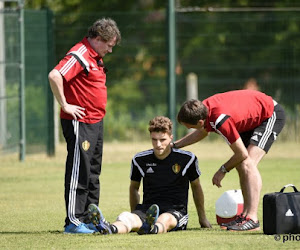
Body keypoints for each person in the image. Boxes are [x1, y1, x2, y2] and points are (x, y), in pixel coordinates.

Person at [173, 89, 285, 231]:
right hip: (251, 118)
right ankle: (245, 217)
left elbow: (241, 154)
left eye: (190, 127)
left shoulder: (219, 119)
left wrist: (222, 170)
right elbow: (202, 132)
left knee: (247, 163)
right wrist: (175, 146)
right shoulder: (203, 109)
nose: (189, 129)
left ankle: (252, 219)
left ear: (200, 121)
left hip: (269, 114)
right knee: (241, 165)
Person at [48, 18, 121, 234]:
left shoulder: (95, 57)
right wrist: (65, 104)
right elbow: (55, 75)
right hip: (80, 122)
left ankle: (90, 216)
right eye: (108, 45)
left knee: (93, 172)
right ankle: (74, 221)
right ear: (98, 38)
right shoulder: (80, 54)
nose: (110, 50)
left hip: (96, 121)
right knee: (79, 171)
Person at [88, 116, 211, 235]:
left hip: (175, 211)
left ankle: (152, 229)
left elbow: (196, 187)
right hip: (148, 210)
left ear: (171, 138)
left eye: (162, 140)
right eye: (154, 139)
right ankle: (110, 228)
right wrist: (134, 213)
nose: (158, 144)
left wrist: (202, 218)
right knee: (127, 217)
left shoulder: (187, 159)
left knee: (164, 219)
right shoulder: (140, 160)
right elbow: (134, 188)